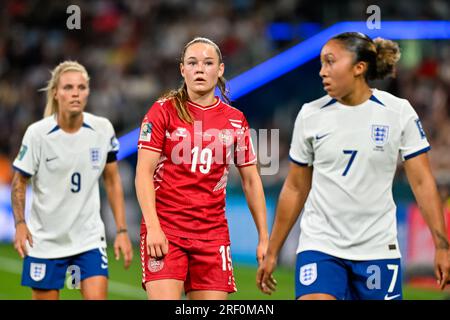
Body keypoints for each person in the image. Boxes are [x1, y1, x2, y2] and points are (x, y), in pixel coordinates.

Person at [257, 32, 450, 300]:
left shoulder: (398, 112)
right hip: (320, 245)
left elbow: (422, 182)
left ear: (359, 68)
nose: (323, 72)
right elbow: (295, 187)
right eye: (322, 64)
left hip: (377, 249)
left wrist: (442, 247)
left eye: (331, 62)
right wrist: (273, 251)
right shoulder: (310, 115)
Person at [135, 37, 269, 300]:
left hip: (212, 235)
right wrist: (153, 227)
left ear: (220, 69)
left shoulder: (235, 120)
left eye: (208, 63)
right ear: (182, 69)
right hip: (167, 229)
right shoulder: (162, 111)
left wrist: (264, 236)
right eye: (192, 63)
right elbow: (143, 173)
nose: (199, 69)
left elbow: (251, 180)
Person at [11, 61, 133, 300]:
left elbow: (112, 180)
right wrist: (20, 224)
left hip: (88, 239)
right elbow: (19, 182)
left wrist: (121, 230)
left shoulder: (102, 129)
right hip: (45, 241)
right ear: (56, 93)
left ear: (88, 91)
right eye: (68, 87)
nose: (75, 93)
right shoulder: (38, 134)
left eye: (81, 87)